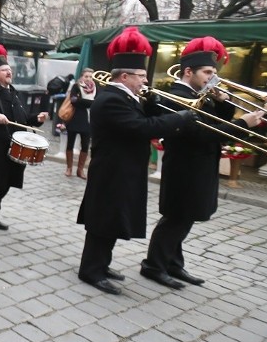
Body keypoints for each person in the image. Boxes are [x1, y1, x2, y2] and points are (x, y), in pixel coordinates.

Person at [76, 26, 196, 295]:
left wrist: (155, 104)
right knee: (103, 222)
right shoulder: (111, 99)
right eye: (141, 76)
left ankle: (101, 264)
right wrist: (179, 119)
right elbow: (142, 128)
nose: (145, 80)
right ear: (126, 76)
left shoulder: (126, 97)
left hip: (123, 170)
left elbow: (143, 120)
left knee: (112, 220)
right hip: (112, 171)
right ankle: (91, 270)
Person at [141, 37, 263, 289]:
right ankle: (153, 265)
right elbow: (203, 133)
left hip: (200, 165)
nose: (212, 77)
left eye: (214, 72)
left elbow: (218, 122)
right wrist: (243, 124)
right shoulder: (177, 96)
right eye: (207, 72)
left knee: (186, 218)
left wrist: (221, 102)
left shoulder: (200, 95)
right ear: (188, 72)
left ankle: (173, 263)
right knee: (176, 218)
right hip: (185, 167)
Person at [0, 45, 48, 234]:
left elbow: (22, 118)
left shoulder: (14, 92)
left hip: (14, 146)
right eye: (5, 70)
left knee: (5, 184)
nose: (9, 72)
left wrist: (36, 119)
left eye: (9, 69)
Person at [64, 67, 97, 178]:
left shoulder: (96, 88)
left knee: (85, 145)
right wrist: (91, 103)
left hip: (88, 121)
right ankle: (69, 168)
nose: (88, 79)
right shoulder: (76, 86)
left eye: (90, 77)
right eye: (86, 76)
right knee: (70, 143)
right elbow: (74, 101)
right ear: (82, 76)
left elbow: (98, 102)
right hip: (75, 119)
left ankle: (80, 170)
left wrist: (83, 102)